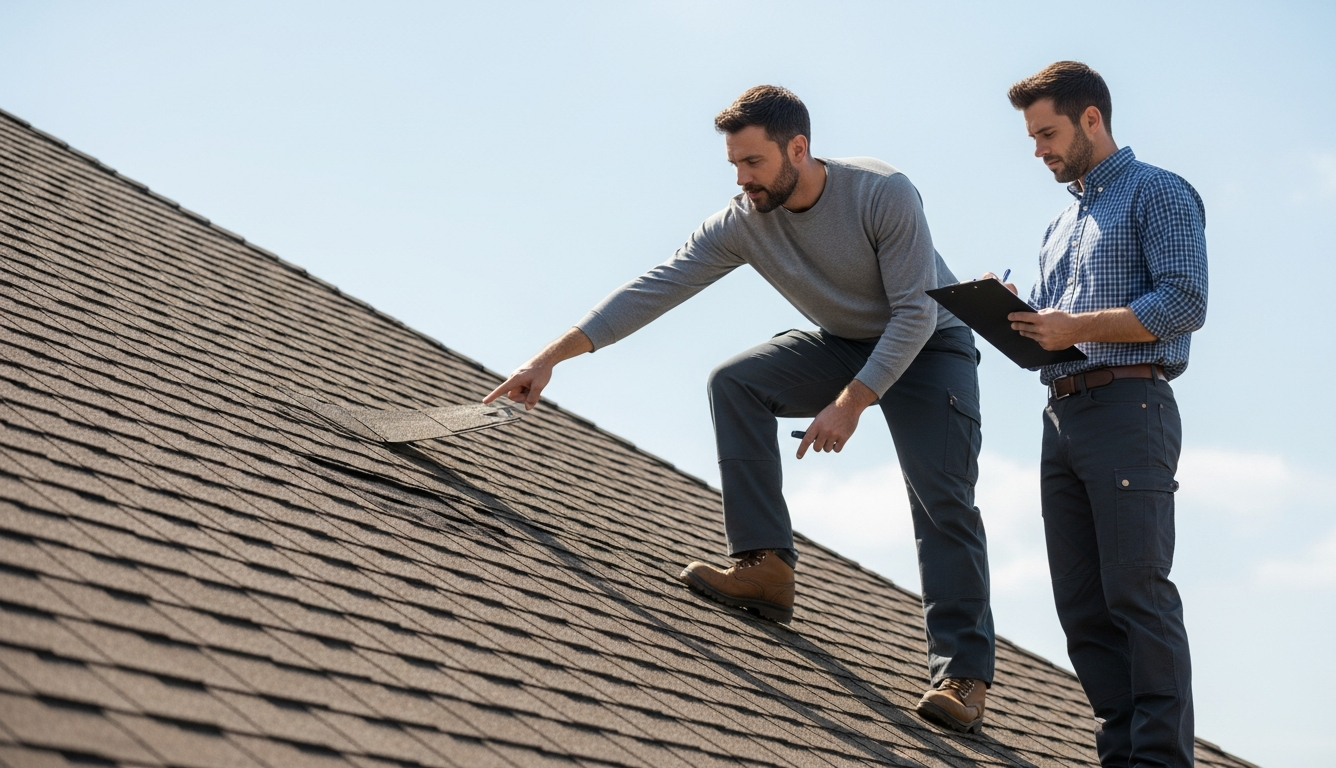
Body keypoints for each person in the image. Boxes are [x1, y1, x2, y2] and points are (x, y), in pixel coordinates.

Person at [484, 85, 996, 732]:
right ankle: (764, 568)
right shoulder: (743, 221)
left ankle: (963, 678)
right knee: (736, 382)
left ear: (798, 148)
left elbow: (917, 310)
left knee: (940, 497)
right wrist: (549, 358)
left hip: (931, 345)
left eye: (752, 162)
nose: (741, 178)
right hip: (846, 342)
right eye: (733, 164)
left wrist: (852, 403)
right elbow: (658, 285)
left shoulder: (882, 193)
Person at [997, 62, 1208, 767]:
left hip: (1129, 405)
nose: (1039, 150)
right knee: (1083, 609)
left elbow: (1183, 303)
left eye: (1048, 133)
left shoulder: (1159, 192)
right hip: (1061, 418)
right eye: (1032, 138)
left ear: (1092, 119)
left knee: (1136, 593)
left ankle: (1159, 760)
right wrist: (1012, 318)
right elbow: (1050, 335)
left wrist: (1075, 327)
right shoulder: (1059, 225)